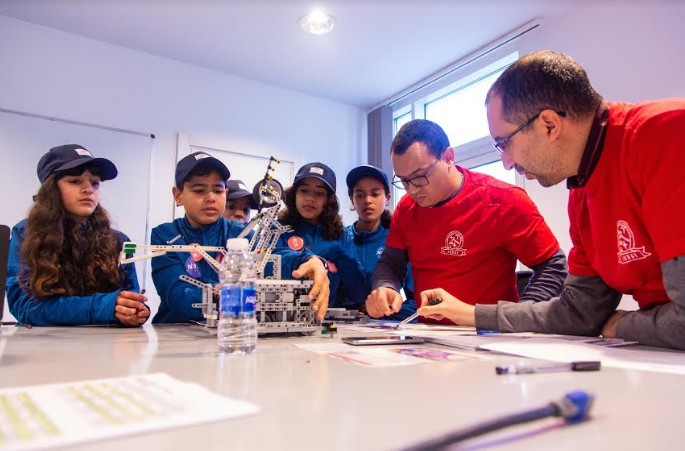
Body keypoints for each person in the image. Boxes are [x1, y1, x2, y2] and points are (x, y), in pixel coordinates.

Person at [417, 50, 685, 350]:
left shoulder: (666, 134)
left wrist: (623, 325)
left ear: (549, 124)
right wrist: (472, 314)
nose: (505, 162)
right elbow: (578, 314)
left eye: (504, 143)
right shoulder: (581, 193)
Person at [366, 119, 567, 324]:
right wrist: (385, 286)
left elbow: (553, 266)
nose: (412, 189)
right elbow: (391, 263)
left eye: (419, 177)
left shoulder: (503, 200)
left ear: (448, 157)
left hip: (490, 336)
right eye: (403, 180)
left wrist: (520, 317)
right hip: (429, 338)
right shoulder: (407, 208)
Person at [151, 152, 329, 323]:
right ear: (178, 195)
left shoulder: (241, 233)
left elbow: (274, 255)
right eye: (199, 190)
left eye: (218, 190)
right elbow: (178, 297)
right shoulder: (165, 236)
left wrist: (310, 260)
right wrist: (224, 291)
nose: (211, 198)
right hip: (176, 333)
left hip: (232, 333)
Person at [6, 144, 148, 326]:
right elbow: (24, 308)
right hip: (43, 348)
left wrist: (134, 312)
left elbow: (128, 299)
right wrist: (102, 306)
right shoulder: (27, 233)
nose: (88, 189)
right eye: (74, 181)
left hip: (104, 348)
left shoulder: (118, 241)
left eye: (94, 182)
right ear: (51, 190)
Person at [278, 162, 370, 309]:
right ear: (294, 194)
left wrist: (343, 259)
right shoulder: (278, 229)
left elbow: (359, 293)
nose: (310, 198)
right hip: (282, 318)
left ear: (328, 200)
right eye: (304, 191)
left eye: (319, 193)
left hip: (327, 321)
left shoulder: (341, 236)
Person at [344, 165, 416, 320]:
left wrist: (382, 312)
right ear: (352, 199)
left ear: (387, 198)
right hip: (338, 328)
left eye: (375, 194)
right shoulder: (339, 238)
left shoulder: (397, 242)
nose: (367, 200)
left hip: (386, 332)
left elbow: (417, 303)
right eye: (360, 195)